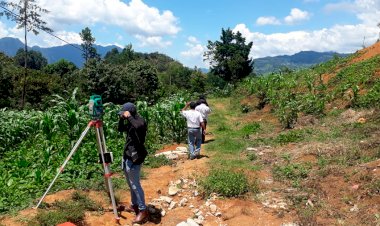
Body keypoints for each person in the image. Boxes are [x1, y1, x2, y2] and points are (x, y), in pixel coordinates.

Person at [117, 102, 149, 224]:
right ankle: (134, 204)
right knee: (131, 184)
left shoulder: (139, 121)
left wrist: (129, 117)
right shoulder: (130, 123)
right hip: (127, 156)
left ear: (130, 113)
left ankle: (143, 210)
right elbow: (120, 129)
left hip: (135, 158)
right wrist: (122, 119)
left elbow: (138, 126)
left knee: (135, 184)